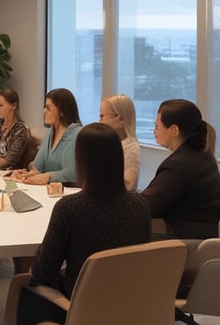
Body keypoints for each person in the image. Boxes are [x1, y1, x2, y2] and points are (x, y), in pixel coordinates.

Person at [16, 123, 152, 324]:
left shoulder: (71, 207)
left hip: (81, 306)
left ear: (81, 160)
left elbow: (43, 272)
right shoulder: (141, 205)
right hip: (128, 304)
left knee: (26, 288)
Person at [140, 99, 220, 239]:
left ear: (174, 130)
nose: (154, 131)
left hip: (183, 237)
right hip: (196, 231)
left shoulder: (179, 165)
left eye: (157, 126)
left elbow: (148, 206)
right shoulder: (200, 154)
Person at [10, 88, 82, 185]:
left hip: (68, 191)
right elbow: (37, 166)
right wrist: (27, 173)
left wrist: (46, 177)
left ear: (61, 111)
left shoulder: (77, 134)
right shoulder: (50, 131)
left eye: (48, 108)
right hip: (47, 190)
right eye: (45, 107)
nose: (44, 111)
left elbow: (71, 174)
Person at [99, 94, 140, 191]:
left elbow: (127, 186)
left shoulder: (131, 150)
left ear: (120, 118)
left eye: (102, 116)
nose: (99, 121)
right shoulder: (107, 142)